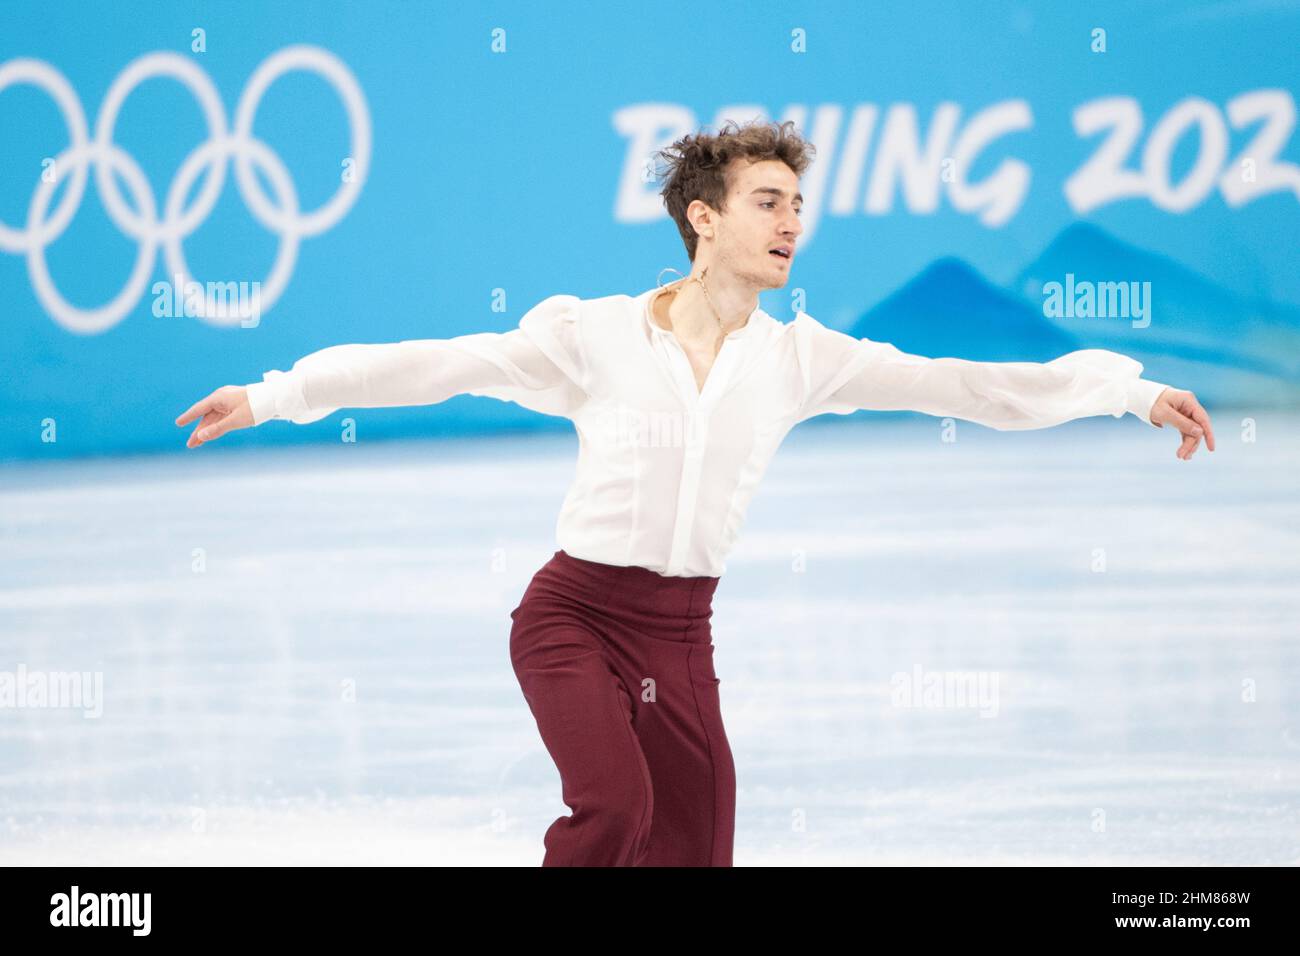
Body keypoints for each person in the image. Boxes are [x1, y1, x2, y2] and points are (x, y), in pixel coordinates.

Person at [174, 119, 1215, 866]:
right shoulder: (593, 334)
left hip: (681, 636)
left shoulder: (799, 357)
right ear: (703, 219)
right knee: (614, 809)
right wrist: (275, 394)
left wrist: (1127, 390)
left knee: (698, 839)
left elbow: (969, 386)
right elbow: (437, 363)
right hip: (571, 616)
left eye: (798, 204)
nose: (790, 220)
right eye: (768, 201)